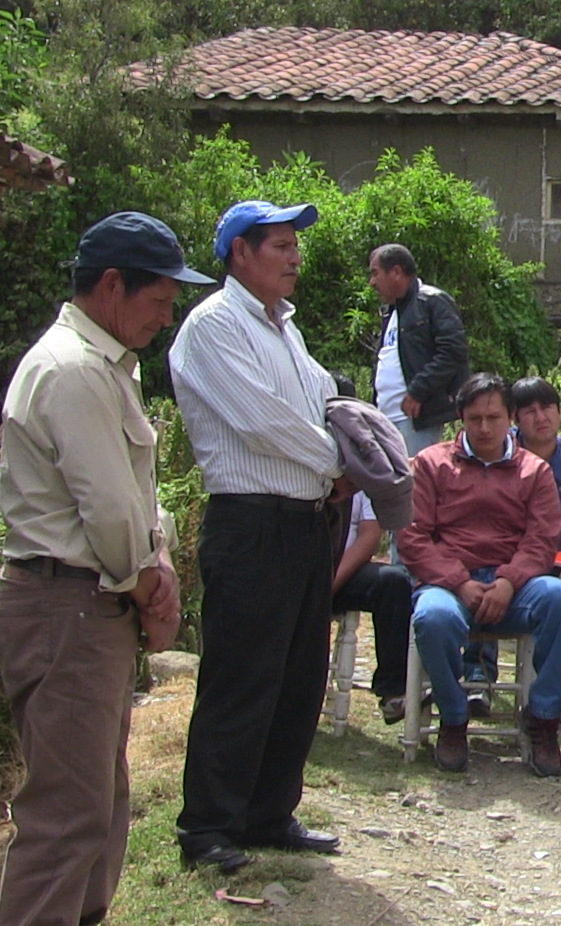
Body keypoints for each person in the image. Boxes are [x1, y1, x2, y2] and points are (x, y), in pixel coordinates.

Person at [0, 213, 210, 923]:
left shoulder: (104, 364)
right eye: (159, 297)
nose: (166, 313)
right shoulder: (74, 370)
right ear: (112, 285)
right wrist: (153, 584)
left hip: (91, 605)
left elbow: (131, 504)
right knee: (66, 817)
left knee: (99, 805)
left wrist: (154, 568)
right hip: (68, 607)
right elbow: (112, 512)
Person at [170, 200, 345, 874]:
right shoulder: (212, 326)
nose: (294, 256)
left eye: (294, 244)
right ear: (239, 253)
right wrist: (337, 458)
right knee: (241, 676)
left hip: (303, 522)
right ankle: (208, 826)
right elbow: (262, 421)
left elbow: (319, 401)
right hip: (250, 521)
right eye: (278, 245)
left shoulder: (286, 330)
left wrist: (346, 453)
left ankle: (269, 812)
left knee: (298, 676)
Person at [397, 373, 561, 777]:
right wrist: (458, 581)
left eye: (493, 417)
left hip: (515, 585)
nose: (484, 427)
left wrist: (509, 581)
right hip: (450, 583)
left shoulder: (534, 470)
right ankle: (454, 716)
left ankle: (543, 717)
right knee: (432, 618)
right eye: (474, 418)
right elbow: (413, 537)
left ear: (509, 418)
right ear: (460, 418)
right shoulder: (430, 464)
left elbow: (542, 538)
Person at [369, 243, 468, 456]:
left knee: (414, 482)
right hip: (385, 417)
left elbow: (453, 351)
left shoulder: (431, 301)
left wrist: (418, 391)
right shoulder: (392, 312)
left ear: (396, 272)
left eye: (375, 273)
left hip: (415, 419)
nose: (372, 282)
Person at [331, 491, 412, 723]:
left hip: (342, 574)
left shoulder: (362, 477)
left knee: (394, 582)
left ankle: (393, 691)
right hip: (295, 575)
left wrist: (329, 583)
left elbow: (369, 537)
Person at [511, 376, 561, 549]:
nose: (540, 418)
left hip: (557, 555)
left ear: (560, 412)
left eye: (546, 408)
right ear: (515, 419)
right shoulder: (500, 450)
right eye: (530, 412)